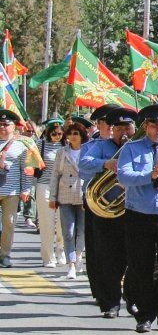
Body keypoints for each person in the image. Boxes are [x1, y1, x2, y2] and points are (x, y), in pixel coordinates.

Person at [115, 104, 158, 333]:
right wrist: (149, 174)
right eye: (155, 125)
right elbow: (123, 176)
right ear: (146, 126)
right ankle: (145, 314)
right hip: (138, 213)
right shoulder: (132, 149)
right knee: (141, 265)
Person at [79, 107, 135, 317]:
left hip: (134, 208)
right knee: (108, 256)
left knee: (136, 256)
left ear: (134, 128)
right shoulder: (100, 146)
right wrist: (106, 163)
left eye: (127, 127)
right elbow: (83, 163)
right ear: (113, 130)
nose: (123, 132)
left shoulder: (139, 146)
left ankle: (132, 295)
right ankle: (110, 302)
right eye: (119, 128)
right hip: (105, 210)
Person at [51, 119, 89, 279]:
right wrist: (53, 197)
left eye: (76, 133)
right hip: (65, 195)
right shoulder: (62, 152)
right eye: (70, 133)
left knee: (82, 230)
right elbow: (55, 175)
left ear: (82, 136)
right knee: (68, 231)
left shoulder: (88, 151)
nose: (72, 136)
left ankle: (79, 255)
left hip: (83, 194)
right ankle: (71, 264)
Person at [0, 109, 34, 269]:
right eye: (0, 124)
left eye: (6, 124)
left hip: (11, 192)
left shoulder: (21, 145)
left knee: (9, 224)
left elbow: (26, 170)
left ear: (14, 126)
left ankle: (4, 255)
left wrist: (26, 189)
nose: (3, 127)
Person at [33, 120, 65, 267]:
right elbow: (32, 164)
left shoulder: (67, 146)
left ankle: (61, 249)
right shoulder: (41, 145)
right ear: (48, 133)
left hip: (63, 187)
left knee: (62, 223)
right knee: (47, 223)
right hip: (44, 186)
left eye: (60, 133)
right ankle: (48, 256)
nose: (57, 136)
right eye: (54, 133)